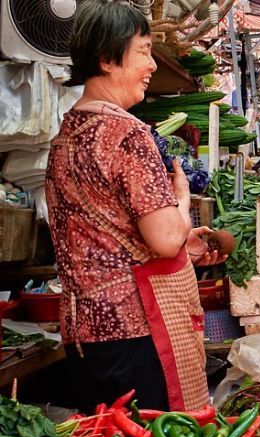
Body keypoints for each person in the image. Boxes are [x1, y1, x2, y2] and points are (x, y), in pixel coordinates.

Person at [45, 0, 226, 412]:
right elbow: (166, 239)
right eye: (143, 51)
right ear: (107, 59)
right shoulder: (127, 133)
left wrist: (183, 243)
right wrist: (181, 199)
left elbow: (106, 231)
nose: (151, 65)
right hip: (135, 331)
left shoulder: (65, 136)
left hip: (82, 332)